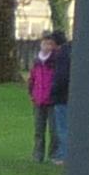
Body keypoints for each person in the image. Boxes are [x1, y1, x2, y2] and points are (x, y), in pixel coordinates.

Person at [29, 32, 71, 163]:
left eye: (49, 44)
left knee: (54, 130)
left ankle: (53, 154)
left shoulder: (56, 60)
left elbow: (58, 78)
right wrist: (32, 93)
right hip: (39, 100)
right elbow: (32, 79)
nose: (47, 46)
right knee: (39, 130)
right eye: (44, 43)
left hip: (51, 100)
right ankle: (38, 154)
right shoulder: (37, 61)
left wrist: (52, 92)